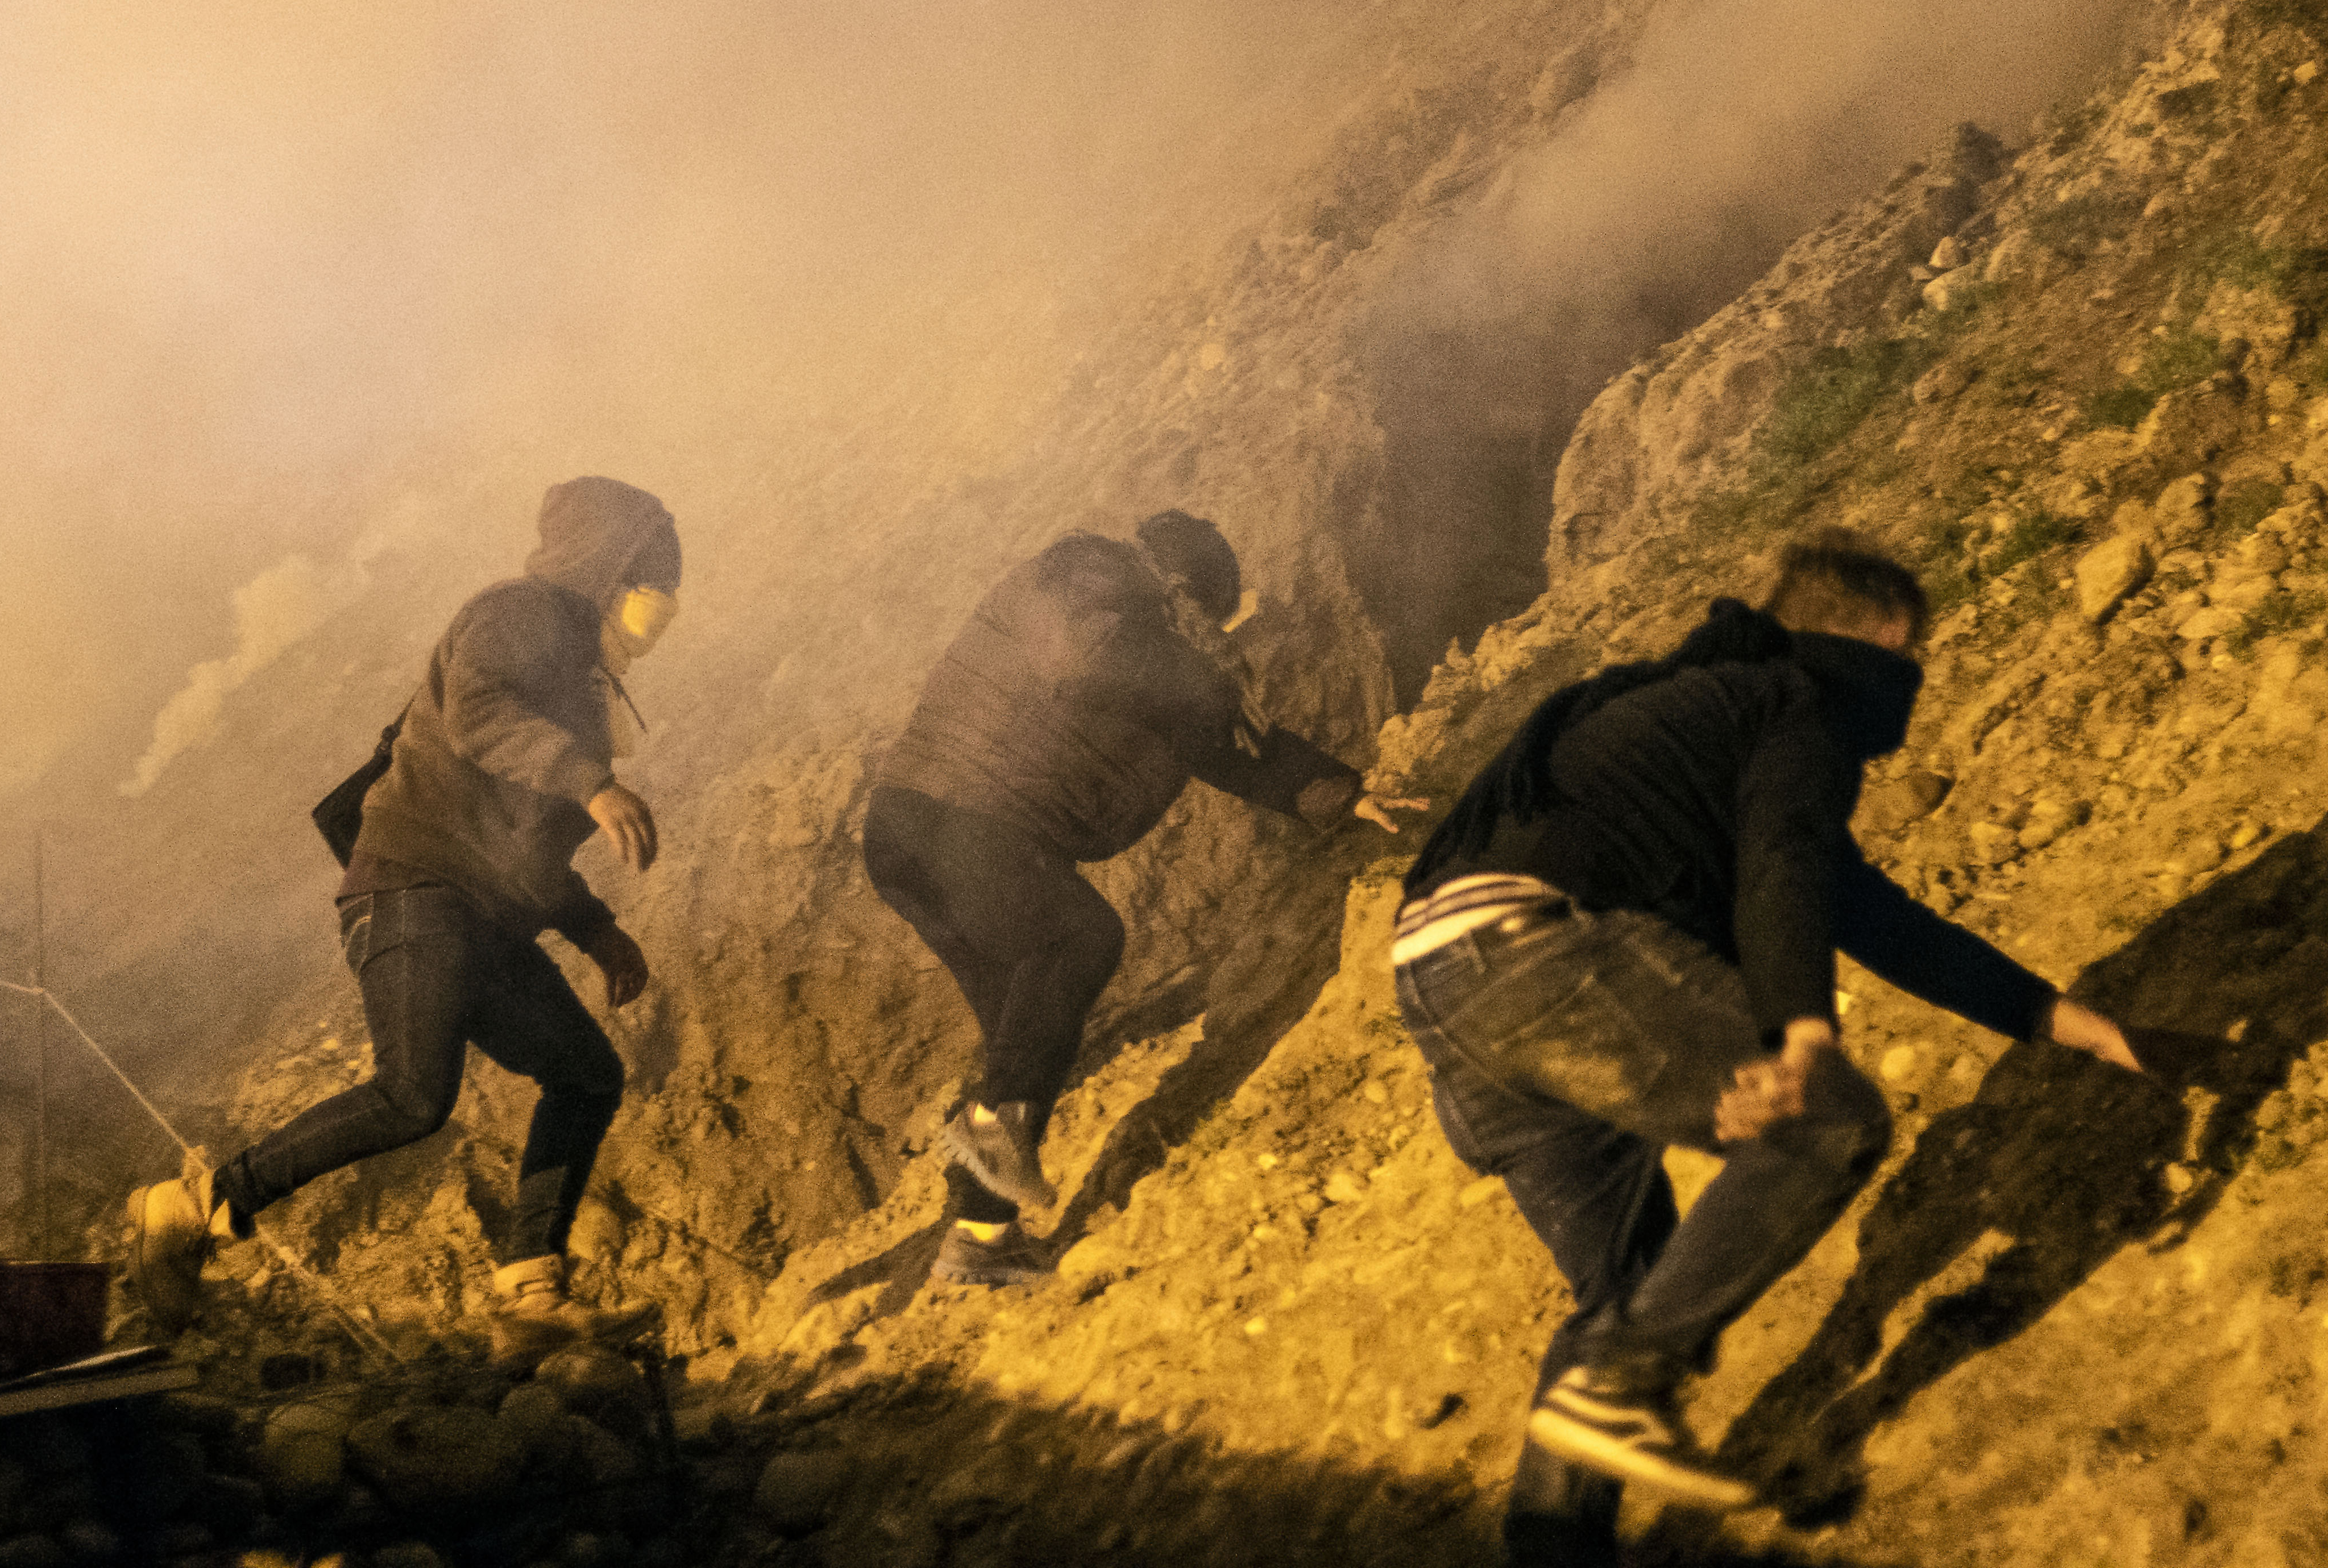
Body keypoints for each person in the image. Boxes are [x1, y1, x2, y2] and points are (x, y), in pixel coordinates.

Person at [1391, 531, 2144, 1560]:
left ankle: (1557, 1541)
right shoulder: (1794, 705)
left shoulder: (1696, 715)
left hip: (1448, 995)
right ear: (1887, 638)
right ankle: (1622, 1383)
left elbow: (1867, 913)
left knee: (1632, 1290)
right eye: (1913, 656)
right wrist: (1802, 1033)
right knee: (1828, 1120)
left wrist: (2052, 1016)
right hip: (1534, 956)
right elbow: (1785, 865)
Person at [127, 475, 681, 1357]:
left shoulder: (580, 681)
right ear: (603, 565)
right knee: (414, 1095)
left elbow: (524, 843)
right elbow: (479, 713)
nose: (664, 600)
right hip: (415, 891)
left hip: (484, 913)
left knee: (585, 1074)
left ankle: (530, 1296)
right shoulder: (516, 613)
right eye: (650, 575)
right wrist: (595, 781)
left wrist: (596, 930)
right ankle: (197, 1207)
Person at [865, 510, 1425, 1288]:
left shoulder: (1156, 654)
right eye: (1213, 619)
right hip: (952, 819)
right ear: (1185, 589)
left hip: (927, 835)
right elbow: (1084, 656)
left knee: (1021, 1037)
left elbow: (1228, 750)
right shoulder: (1091, 573)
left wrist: (1340, 792)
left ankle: (980, 1242)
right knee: (1082, 938)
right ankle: (994, 1153)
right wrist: (1203, 673)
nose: (1215, 639)